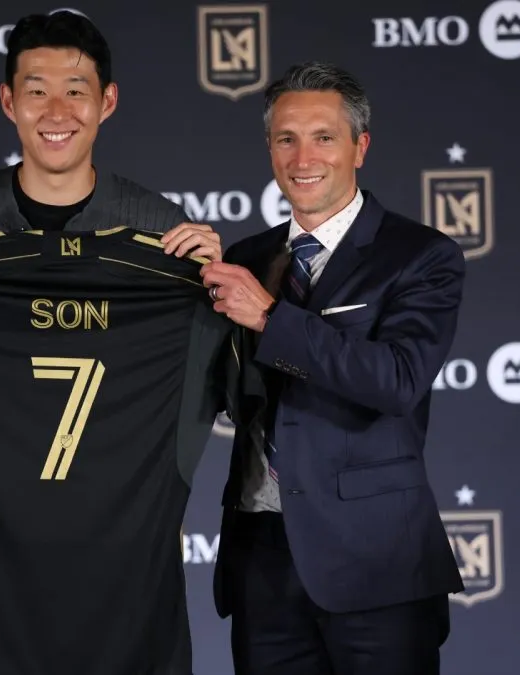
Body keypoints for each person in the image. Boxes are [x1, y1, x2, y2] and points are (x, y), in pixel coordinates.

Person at [199, 62, 466, 674]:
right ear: (269, 147)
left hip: (375, 562)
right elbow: (223, 395)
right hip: (261, 556)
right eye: (285, 138)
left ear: (359, 146)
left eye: (323, 137)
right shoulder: (245, 258)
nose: (302, 157)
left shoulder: (422, 255)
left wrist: (270, 318)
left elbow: (395, 380)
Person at [0, 10, 222, 263]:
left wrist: (210, 287)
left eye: (75, 92)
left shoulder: (162, 230)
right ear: (8, 102)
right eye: (37, 92)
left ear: (107, 101)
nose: (57, 113)